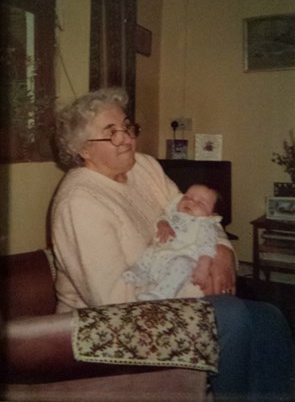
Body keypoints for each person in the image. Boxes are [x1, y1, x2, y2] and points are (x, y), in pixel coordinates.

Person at [51, 87, 293, 402]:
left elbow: (198, 216)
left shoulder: (145, 167)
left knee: (270, 318)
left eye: (127, 127)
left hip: (171, 294)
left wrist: (220, 253)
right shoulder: (79, 202)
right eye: (111, 134)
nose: (126, 138)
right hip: (106, 327)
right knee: (231, 318)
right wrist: (201, 286)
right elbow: (114, 301)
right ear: (83, 149)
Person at [123, 184, 222, 300]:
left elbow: (207, 247)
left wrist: (203, 268)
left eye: (200, 203)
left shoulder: (204, 224)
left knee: (181, 265)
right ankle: (139, 274)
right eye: (187, 198)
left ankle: (161, 294)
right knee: (149, 251)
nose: (191, 202)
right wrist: (163, 224)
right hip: (161, 255)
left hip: (182, 257)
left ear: (212, 214)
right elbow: (163, 218)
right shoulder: (173, 213)